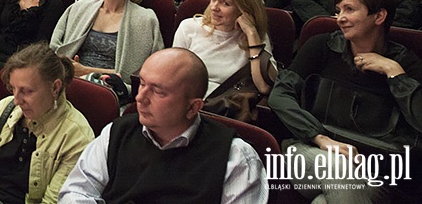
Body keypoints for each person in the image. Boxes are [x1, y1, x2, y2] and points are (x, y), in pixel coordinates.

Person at [269, 0, 422, 201]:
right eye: (338, 10)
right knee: (338, 169)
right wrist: (319, 137)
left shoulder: (406, 63)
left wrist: (394, 73)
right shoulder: (320, 46)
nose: (340, 18)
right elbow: (279, 96)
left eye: (349, 10)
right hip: (310, 151)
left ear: (379, 16)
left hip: (376, 173)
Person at [58, 48, 268, 202]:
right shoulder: (117, 132)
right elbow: (76, 191)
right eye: (142, 84)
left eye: (158, 91)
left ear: (193, 107)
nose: (140, 98)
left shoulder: (235, 159)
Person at [0, 43, 94, 204]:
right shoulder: (6, 108)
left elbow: (52, 201)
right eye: (13, 88)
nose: (17, 100)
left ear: (55, 87)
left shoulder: (76, 136)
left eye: (27, 91)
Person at [50, 0, 164, 93]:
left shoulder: (144, 19)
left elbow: (145, 72)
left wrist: (86, 70)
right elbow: (55, 47)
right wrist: (68, 66)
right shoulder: (80, 7)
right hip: (70, 81)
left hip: (113, 88)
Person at [173, 0, 277, 97]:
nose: (214, 7)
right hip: (187, 101)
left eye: (225, 3)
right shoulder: (189, 27)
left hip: (225, 107)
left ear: (243, 9)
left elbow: (264, 87)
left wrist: (251, 34)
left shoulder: (255, 36)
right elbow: (173, 76)